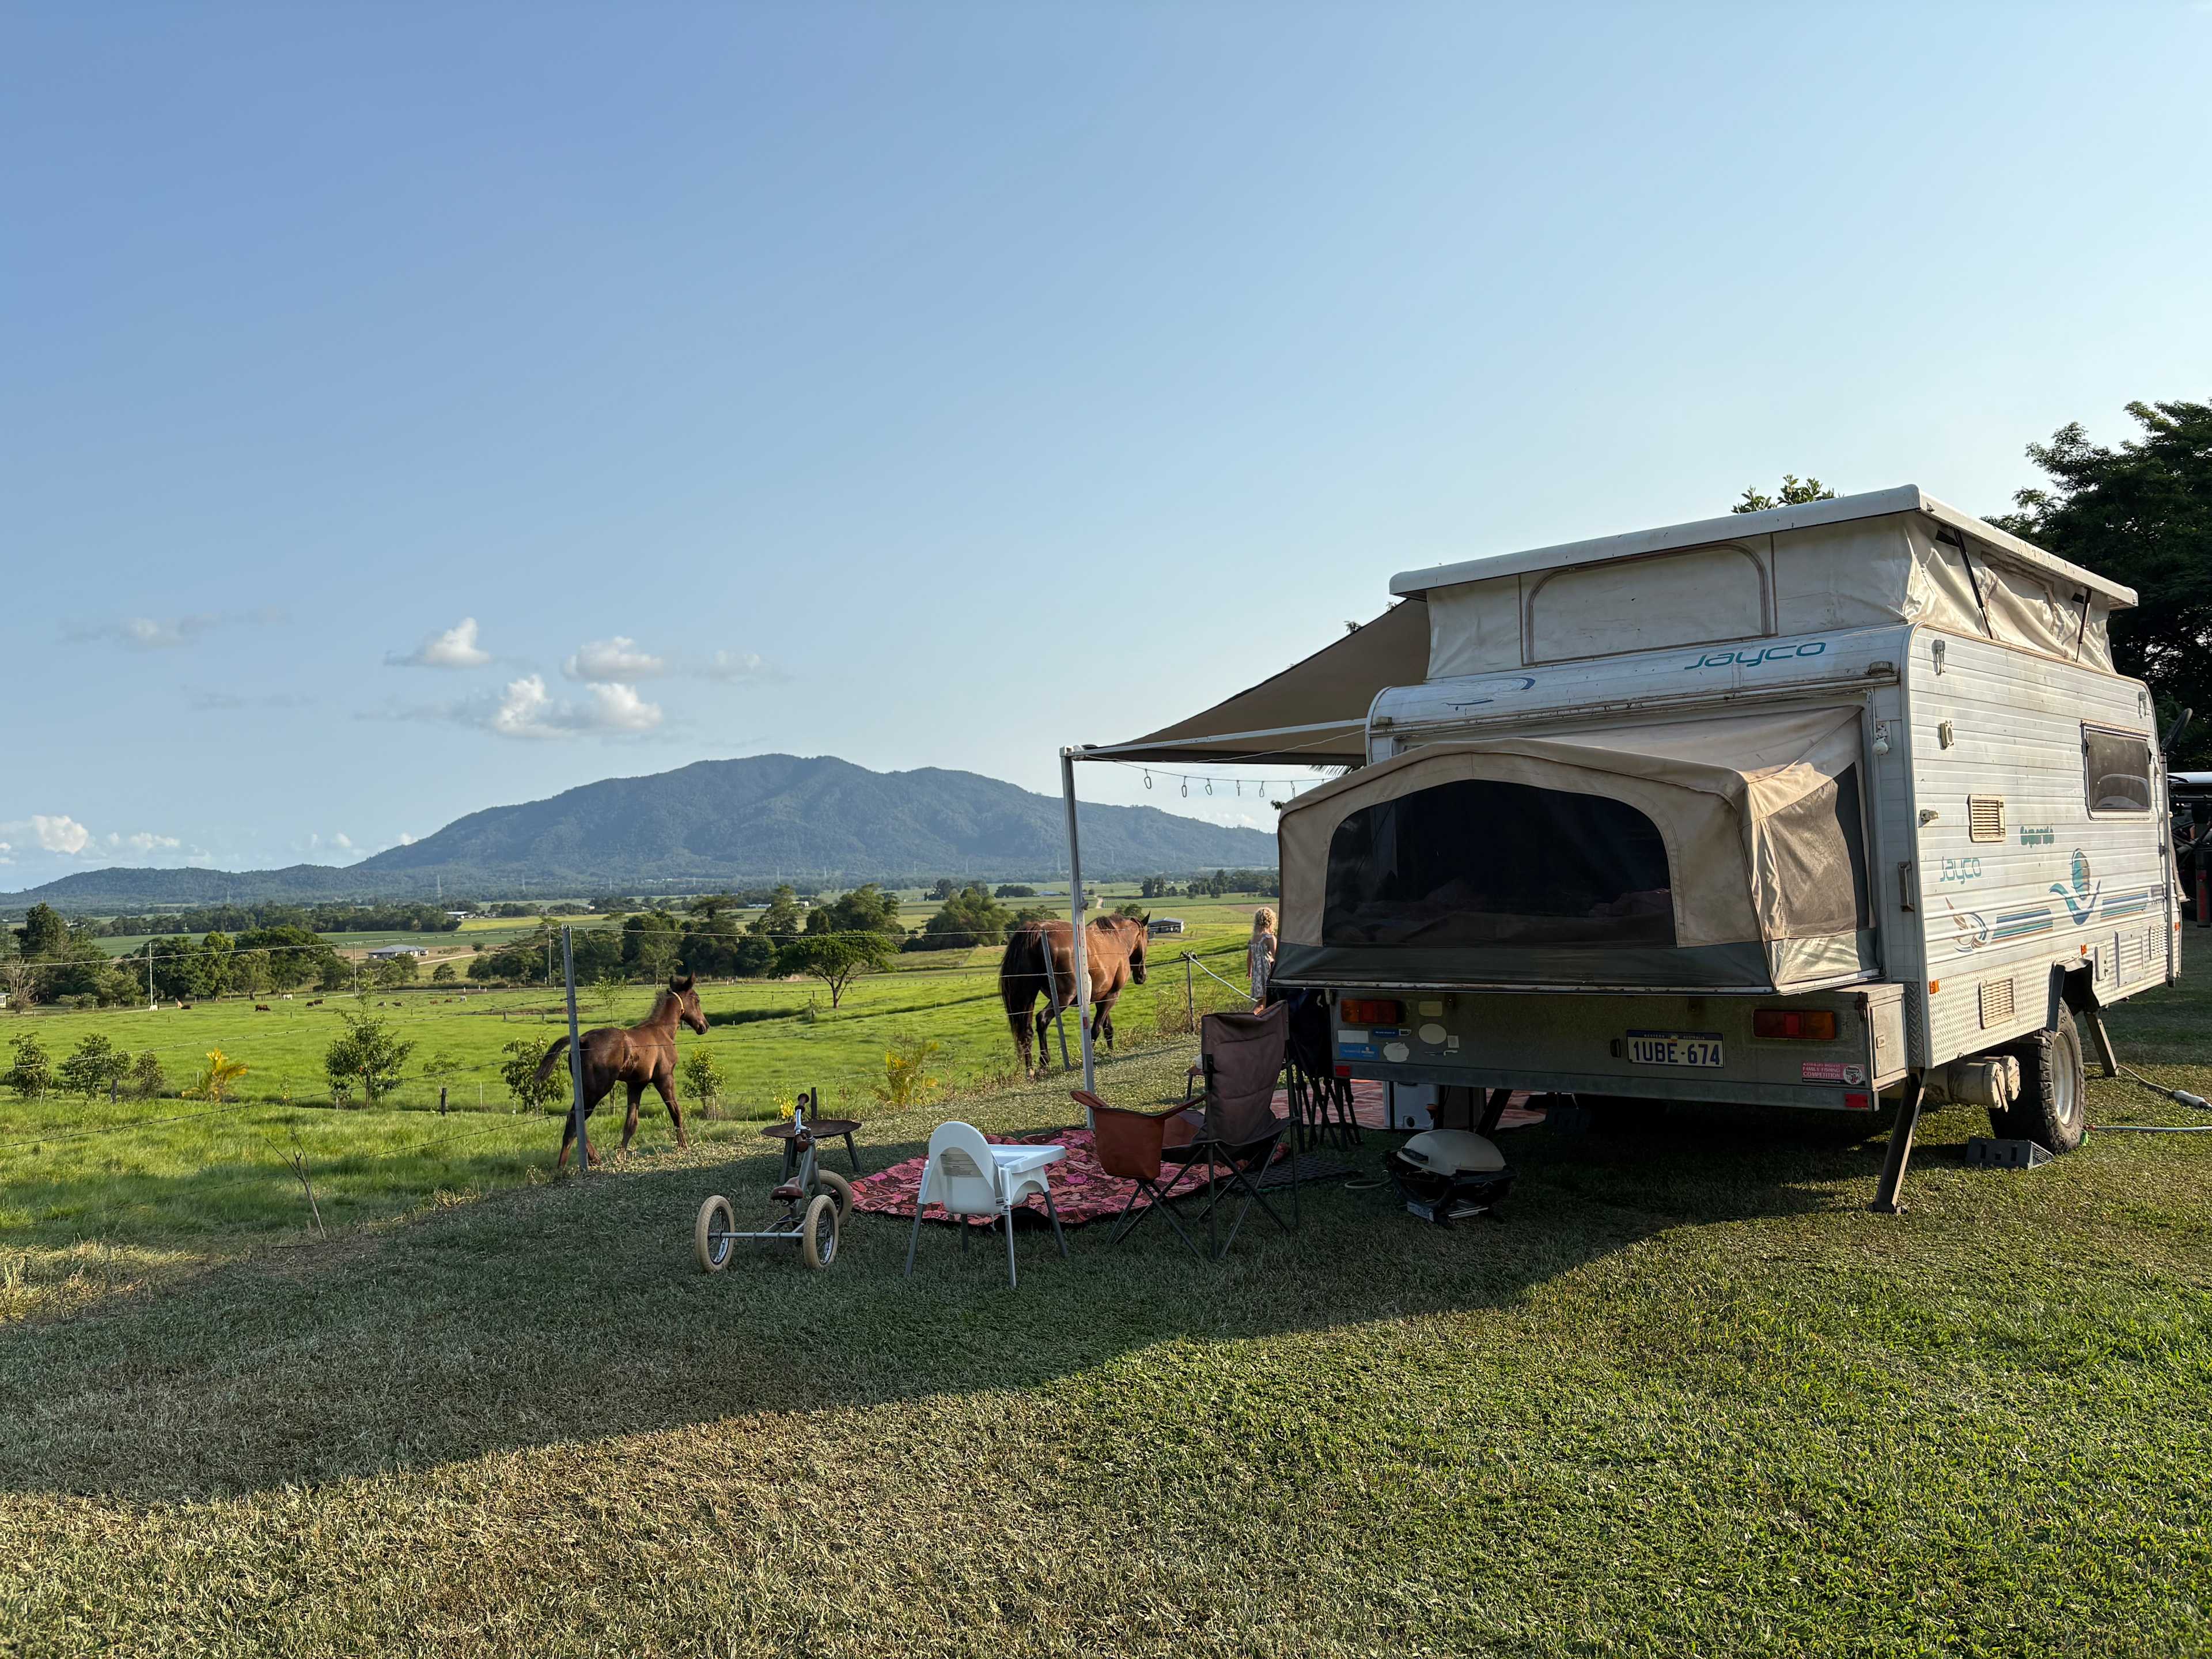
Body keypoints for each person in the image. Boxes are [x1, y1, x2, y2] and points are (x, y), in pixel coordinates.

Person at [1247, 906, 1278, 1007]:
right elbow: (1275, 956)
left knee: (1262, 1000)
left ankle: (1254, 1014)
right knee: (1266, 999)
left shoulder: (1253, 939)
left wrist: (1249, 972)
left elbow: (1249, 957)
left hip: (1257, 971)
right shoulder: (1270, 938)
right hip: (1267, 970)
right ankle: (1256, 1016)